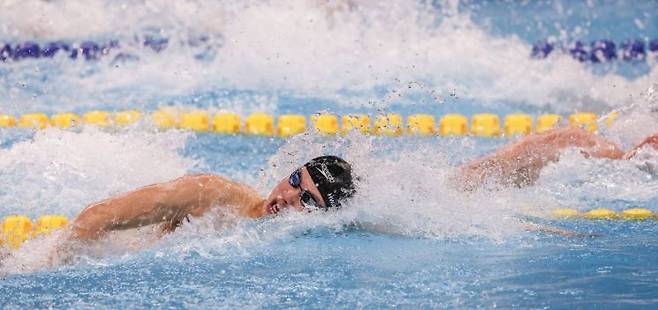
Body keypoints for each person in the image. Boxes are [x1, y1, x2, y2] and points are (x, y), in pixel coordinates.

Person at [58, 126, 657, 245]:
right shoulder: (209, 193)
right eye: (294, 180)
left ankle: (620, 153)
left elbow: (443, 221)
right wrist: (53, 254)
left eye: (305, 200)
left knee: (471, 181)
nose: (285, 197)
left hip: (410, 193)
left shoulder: (353, 220)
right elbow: (93, 218)